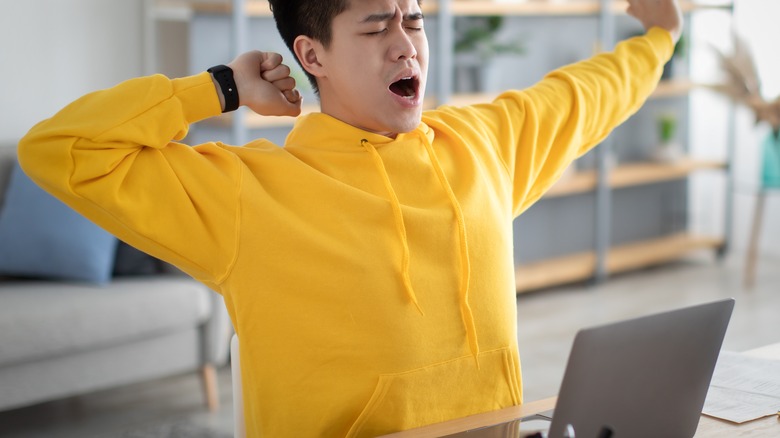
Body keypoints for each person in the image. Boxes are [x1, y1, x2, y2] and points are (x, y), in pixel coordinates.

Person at [17, 0, 682, 436]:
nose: (406, 46)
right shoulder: (249, 192)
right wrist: (217, 87)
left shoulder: (482, 144)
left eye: (414, 20)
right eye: (375, 26)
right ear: (312, 57)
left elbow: (584, 95)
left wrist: (658, 40)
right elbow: (58, 149)